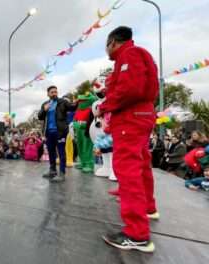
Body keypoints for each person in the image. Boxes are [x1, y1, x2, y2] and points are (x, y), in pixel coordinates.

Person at [98, 26, 158, 252]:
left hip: (131, 118)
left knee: (128, 170)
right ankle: (149, 208)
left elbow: (129, 89)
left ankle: (137, 234)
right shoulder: (140, 55)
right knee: (141, 165)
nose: (107, 49)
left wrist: (104, 106)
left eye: (107, 45)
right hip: (140, 115)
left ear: (113, 42)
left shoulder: (130, 55)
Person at [38, 85, 77, 182]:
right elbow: (40, 116)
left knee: (61, 152)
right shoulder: (45, 104)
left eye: (56, 92)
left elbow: (71, 108)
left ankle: (62, 173)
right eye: (52, 92)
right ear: (48, 94)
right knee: (51, 152)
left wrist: (76, 103)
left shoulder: (62, 102)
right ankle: (52, 171)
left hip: (60, 132)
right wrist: (44, 110)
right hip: (49, 132)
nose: (54, 93)